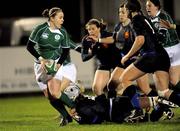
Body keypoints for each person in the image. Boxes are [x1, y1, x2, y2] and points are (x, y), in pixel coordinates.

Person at [117, 0, 180, 119]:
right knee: (164, 92)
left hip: (151, 56)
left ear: (130, 11)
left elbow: (140, 40)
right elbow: (153, 37)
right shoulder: (144, 18)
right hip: (162, 55)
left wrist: (128, 56)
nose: (124, 13)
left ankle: (137, 110)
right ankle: (158, 107)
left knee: (124, 78)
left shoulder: (136, 20)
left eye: (125, 11)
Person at [26, 7, 78, 126]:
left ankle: (74, 106)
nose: (62, 20)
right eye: (60, 17)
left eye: (63, 17)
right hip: (39, 65)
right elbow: (29, 46)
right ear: (52, 18)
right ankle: (66, 117)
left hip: (53, 64)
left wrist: (58, 64)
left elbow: (65, 51)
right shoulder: (40, 29)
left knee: (54, 92)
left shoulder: (62, 32)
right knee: (49, 96)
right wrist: (41, 59)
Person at [64, 83, 178, 124]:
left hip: (116, 110)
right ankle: (159, 105)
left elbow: (97, 116)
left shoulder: (81, 105)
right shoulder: (82, 104)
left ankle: (159, 104)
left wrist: (81, 120)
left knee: (145, 115)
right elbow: (99, 111)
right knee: (131, 92)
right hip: (116, 107)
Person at [81, 18, 122, 97]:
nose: (91, 31)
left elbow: (114, 40)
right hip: (104, 64)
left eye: (93, 29)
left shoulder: (108, 35)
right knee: (96, 88)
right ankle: (104, 106)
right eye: (89, 29)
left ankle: (136, 104)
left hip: (117, 62)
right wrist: (92, 52)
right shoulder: (86, 40)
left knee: (119, 89)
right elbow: (84, 57)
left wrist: (98, 41)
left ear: (99, 28)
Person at [146, 0, 180, 91]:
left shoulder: (162, 16)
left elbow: (162, 35)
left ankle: (163, 100)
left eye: (149, 5)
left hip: (169, 49)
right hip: (174, 48)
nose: (147, 8)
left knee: (161, 82)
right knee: (174, 81)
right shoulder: (150, 19)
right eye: (146, 6)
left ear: (157, 7)